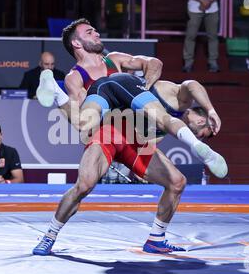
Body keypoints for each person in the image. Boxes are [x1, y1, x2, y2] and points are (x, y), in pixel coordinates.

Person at [32, 76, 219, 256]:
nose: (202, 134)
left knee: (177, 182)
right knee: (84, 185)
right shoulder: (176, 99)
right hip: (110, 131)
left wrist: (138, 166)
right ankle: (50, 235)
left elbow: (151, 140)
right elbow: (187, 81)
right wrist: (210, 109)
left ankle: (156, 238)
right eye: (203, 133)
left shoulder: (167, 125)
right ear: (202, 120)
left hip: (134, 141)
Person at [36, 18, 227, 179]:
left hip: (137, 115)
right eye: (89, 32)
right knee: (86, 126)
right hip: (116, 127)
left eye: (95, 30)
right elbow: (84, 117)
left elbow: (153, 63)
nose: (97, 34)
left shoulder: (114, 59)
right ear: (76, 43)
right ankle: (54, 90)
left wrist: (145, 86)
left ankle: (55, 92)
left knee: (175, 177)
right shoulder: (76, 77)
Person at [182, 0, 222, 73]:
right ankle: (188, 63)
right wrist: (203, 1)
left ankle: (213, 62)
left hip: (212, 8)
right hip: (194, 8)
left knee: (213, 36)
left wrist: (207, 2)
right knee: (191, 35)